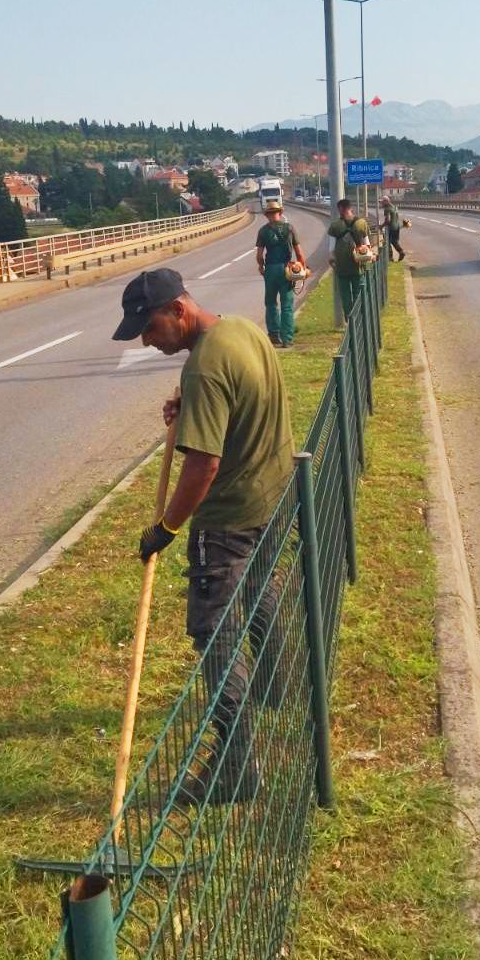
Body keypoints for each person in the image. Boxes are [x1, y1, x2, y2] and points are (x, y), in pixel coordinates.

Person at [113, 267, 293, 806]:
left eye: (149, 328)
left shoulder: (203, 368)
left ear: (178, 310)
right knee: (260, 594)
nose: (146, 341)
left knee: (215, 635)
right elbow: (242, 405)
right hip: (271, 495)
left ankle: (236, 768)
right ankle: (278, 689)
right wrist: (191, 411)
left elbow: (204, 466)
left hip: (229, 517)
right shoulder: (241, 330)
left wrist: (166, 528)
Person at [255, 198, 307, 348]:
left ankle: (274, 335)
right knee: (287, 305)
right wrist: (302, 268)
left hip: (271, 269)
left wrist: (261, 266)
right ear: (280, 212)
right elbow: (299, 253)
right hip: (286, 269)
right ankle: (287, 338)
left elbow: (259, 255)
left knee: (271, 303)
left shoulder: (263, 231)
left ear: (267, 215)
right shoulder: (289, 228)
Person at [327, 197, 371, 317]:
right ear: (350, 208)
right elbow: (367, 245)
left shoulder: (335, 225)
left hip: (342, 265)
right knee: (359, 293)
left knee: (345, 295)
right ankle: (359, 318)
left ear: (341, 209)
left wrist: (332, 260)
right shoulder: (361, 223)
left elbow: (331, 248)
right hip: (358, 264)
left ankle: (349, 319)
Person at [380, 196, 406, 261]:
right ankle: (401, 252)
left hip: (391, 228)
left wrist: (381, 226)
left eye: (382, 202)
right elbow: (396, 217)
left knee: (387, 241)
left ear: (386, 201)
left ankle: (390, 257)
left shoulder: (387, 209)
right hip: (397, 227)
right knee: (394, 241)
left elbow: (387, 220)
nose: (381, 204)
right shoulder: (395, 207)